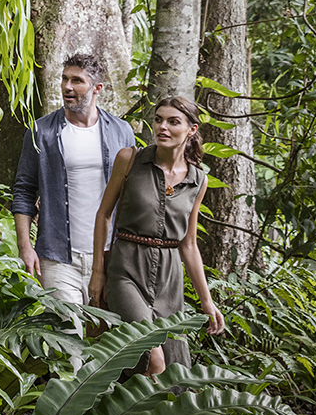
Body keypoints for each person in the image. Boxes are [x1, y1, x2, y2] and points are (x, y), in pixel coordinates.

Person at [88, 96, 226, 373]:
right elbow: (103, 215)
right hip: (125, 269)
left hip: (169, 279)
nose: (162, 127)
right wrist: (98, 272)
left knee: (175, 369)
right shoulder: (130, 159)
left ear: (192, 130)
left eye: (173, 122)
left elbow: (188, 244)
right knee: (152, 356)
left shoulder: (198, 180)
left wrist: (207, 301)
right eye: (158, 119)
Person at [12, 53, 137, 305]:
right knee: (67, 337)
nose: (67, 87)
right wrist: (25, 247)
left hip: (109, 254)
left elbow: (132, 192)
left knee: (106, 337)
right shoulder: (41, 131)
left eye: (77, 81)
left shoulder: (121, 131)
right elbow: (24, 191)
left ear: (97, 88)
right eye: (64, 79)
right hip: (57, 256)